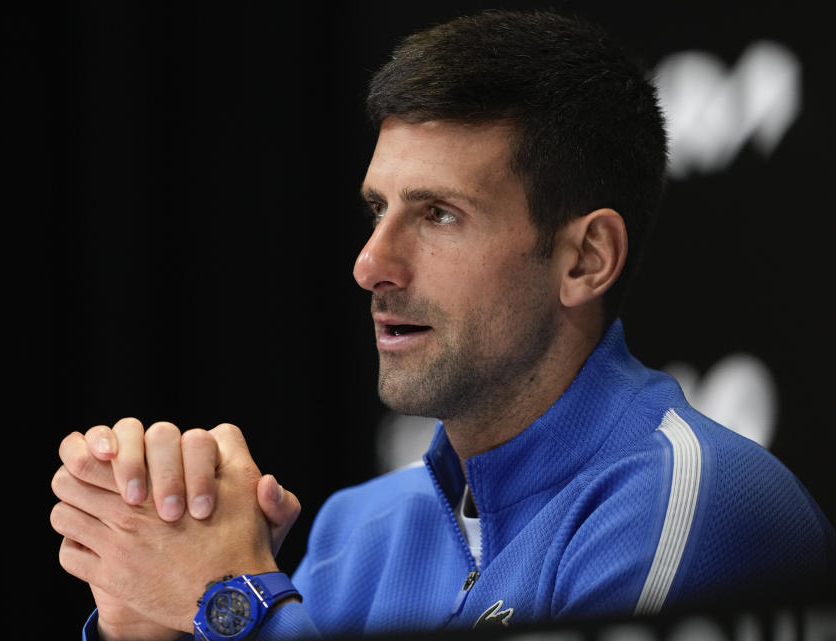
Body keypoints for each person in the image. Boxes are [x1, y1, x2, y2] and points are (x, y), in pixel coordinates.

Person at [50, 9, 836, 641]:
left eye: (439, 214)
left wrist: (229, 600)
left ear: (585, 259)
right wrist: (154, 622)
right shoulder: (354, 529)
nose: (371, 264)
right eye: (377, 210)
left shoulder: (698, 505)